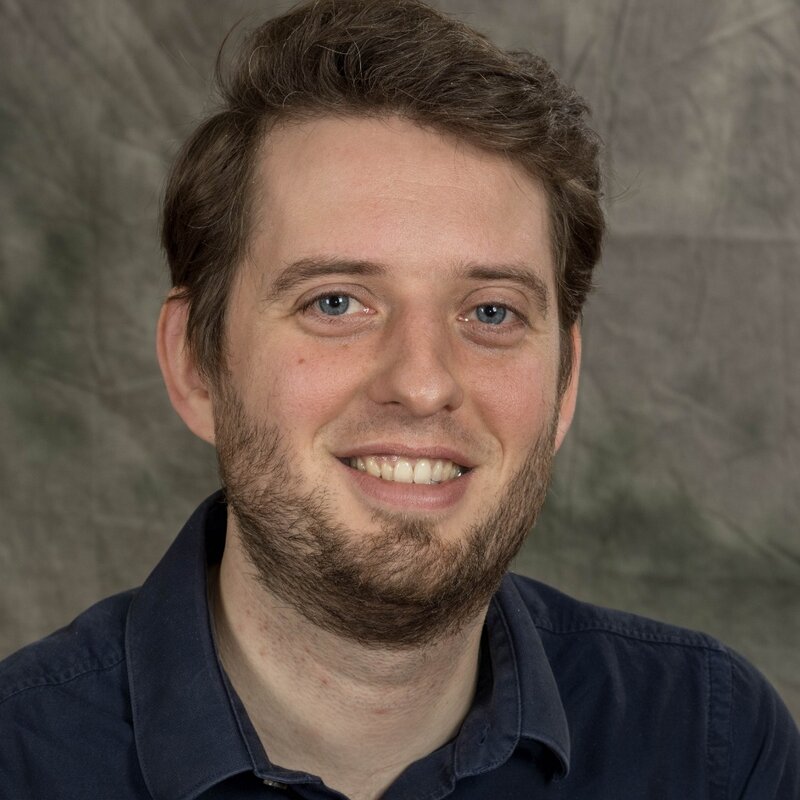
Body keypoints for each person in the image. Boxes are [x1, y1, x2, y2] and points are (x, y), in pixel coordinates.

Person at [1, 0, 797, 797]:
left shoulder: (713, 749)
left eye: (492, 313)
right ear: (196, 361)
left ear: (564, 381)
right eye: (336, 303)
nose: (422, 384)